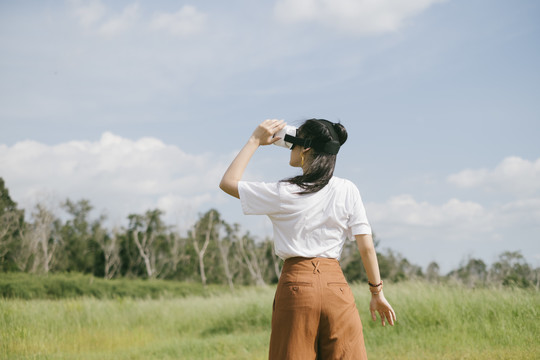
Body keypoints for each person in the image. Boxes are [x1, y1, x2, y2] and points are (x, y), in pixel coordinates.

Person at [219, 118, 396, 360]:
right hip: (337, 287)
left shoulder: (284, 191)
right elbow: (366, 248)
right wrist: (377, 294)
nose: (290, 149)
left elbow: (228, 183)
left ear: (306, 149)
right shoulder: (347, 189)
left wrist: (255, 140)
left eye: (294, 144)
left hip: (297, 286)